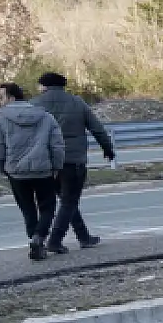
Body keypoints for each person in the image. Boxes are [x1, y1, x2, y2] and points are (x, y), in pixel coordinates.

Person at [32, 72, 115, 252]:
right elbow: (97, 128)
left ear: (44, 86)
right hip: (72, 160)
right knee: (69, 201)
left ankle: (83, 236)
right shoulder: (77, 102)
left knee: (66, 201)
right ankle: (55, 241)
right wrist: (108, 149)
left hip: (45, 162)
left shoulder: (34, 105)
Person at [0, 82, 64, 261]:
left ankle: (34, 237)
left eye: (1, 97)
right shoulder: (45, 116)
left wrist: (1, 168)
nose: (0, 101)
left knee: (27, 208)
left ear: (11, 97)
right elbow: (57, 145)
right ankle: (39, 237)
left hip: (16, 173)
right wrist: (57, 166)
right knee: (47, 207)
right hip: (43, 171)